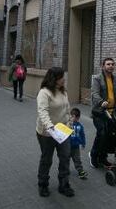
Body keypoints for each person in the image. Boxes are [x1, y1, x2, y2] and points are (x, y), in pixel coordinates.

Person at [36, 67, 74, 197]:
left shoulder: (63, 91)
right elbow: (42, 112)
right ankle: (43, 184)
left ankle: (64, 184)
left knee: (65, 157)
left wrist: (69, 124)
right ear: (54, 78)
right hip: (47, 133)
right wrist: (50, 127)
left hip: (63, 132)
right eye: (62, 77)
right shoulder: (44, 92)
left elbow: (67, 109)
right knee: (47, 159)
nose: (64, 79)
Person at [89, 57, 116, 168]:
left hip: (112, 112)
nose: (111, 66)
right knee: (102, 134)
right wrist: (101, 102)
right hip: (100, 112)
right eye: (108, 64)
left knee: (110, 135)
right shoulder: (97, 78)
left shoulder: (115, 79)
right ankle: (93, 155)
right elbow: (94, 94)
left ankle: (103, 157)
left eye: (112, 64)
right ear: (103, 66)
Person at [68, 108, 88, 179]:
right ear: (70, 116)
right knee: (65, 159)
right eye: (71, 116)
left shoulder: (80, 126)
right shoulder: (68, 124)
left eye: (75, 117)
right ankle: (64, 169)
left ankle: (80, 171)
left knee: (77, 159)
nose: (73, 118)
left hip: (76, 147)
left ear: (78, 118)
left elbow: (83, 135)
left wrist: (83, 143)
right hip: (67, 146)